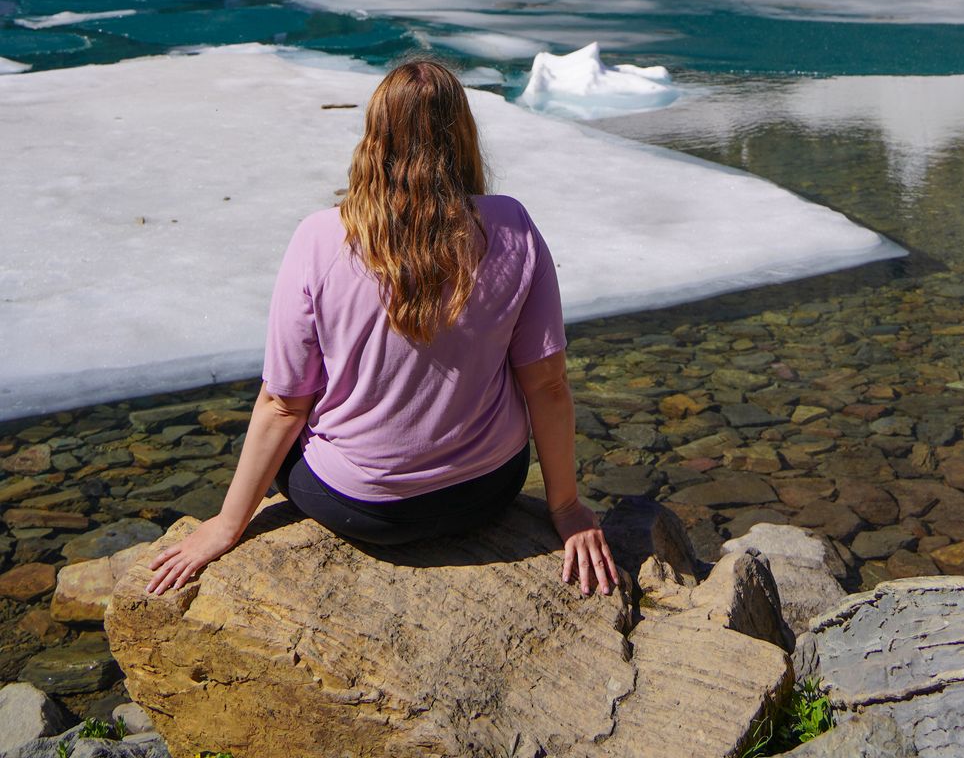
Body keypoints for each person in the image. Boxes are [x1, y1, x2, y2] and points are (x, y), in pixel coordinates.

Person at [146, 59, 617, 598]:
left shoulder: (321, 237)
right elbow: (548, 385)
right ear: (462, 134)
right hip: (486, 491)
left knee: (303, 415)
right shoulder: (512, 226)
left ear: (375, 136)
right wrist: (566, 507)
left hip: (360, 508)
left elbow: (283, 404)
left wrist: (227, 525)